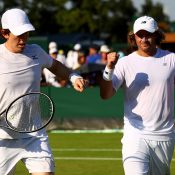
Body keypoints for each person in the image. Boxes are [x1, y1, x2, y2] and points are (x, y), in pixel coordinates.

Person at [0, 8, 88, 175]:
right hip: (2, 139)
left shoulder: (36, 51)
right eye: (19, 34)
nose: (23, 38)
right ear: (4, 33)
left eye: (26, 33)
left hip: (34, 135)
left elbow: (55, 66)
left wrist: (73, 77)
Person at [100, 15, 175, 175]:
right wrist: (109, 68)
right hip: (135, 134)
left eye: (148, 34)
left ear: (156, 34)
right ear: (133, 37)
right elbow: (105, 95)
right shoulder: (125, 63)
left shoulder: (171, 59)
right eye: (140, 35)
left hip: (164, 135)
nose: (144, 38)